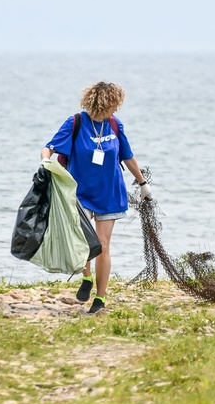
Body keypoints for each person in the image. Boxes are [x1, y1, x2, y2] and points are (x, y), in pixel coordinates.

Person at [41, 82, 151, 314]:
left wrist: (142, 184)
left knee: (103, 245)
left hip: (109, 193)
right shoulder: (76, 123)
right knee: (83, 242)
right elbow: (48, 148)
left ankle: (99, 298)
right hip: (80, 193)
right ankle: (86, 277)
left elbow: (128, 156)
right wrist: (45, 162)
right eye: (114, 104)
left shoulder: (114, 125)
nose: (116, 109)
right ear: (104, 102)